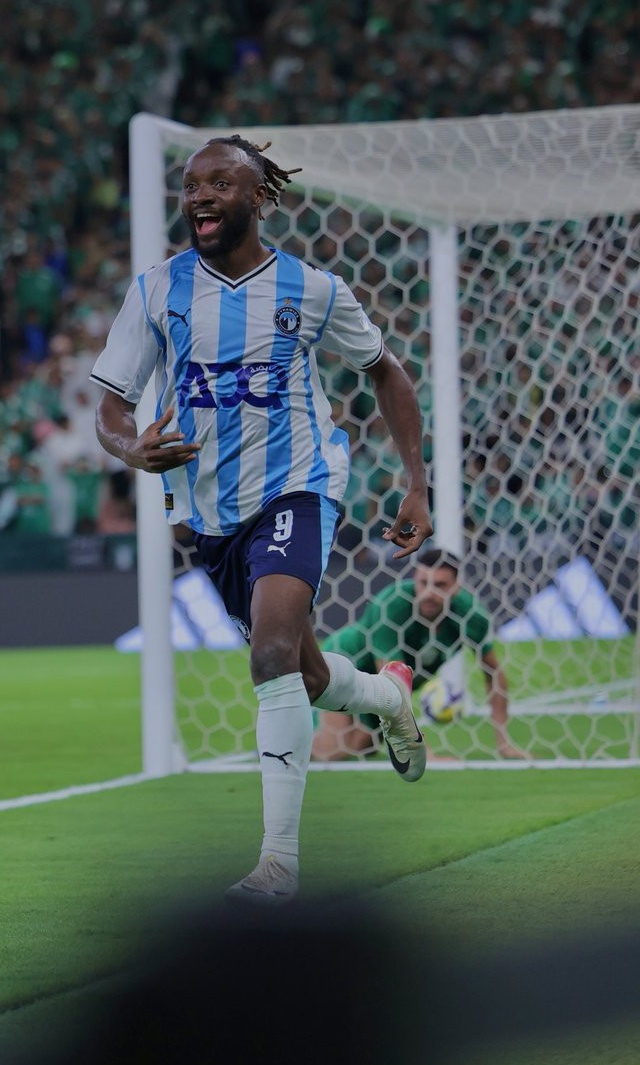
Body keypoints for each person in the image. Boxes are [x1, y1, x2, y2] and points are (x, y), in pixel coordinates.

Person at [91, 135, 432, 902]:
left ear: (258, 197)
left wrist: (417, 483)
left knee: (271, 653)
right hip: (210, 514)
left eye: (219, 183)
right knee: (304, 675)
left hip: (298, 486)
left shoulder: (311, 289)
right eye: (191, 186)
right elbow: (111, 406)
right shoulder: (157, 291)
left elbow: (385, 370)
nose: (200, 196)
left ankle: (279, 866)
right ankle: (389, 698)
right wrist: (132, 447)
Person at [313, 547, 526, 761]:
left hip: (376, 686)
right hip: (345, 663)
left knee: (362, 748)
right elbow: (392, 684)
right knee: (332, 752)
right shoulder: (392, 604)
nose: (429, 593)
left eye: (440, 585)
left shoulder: (471, 616)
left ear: (456, 586)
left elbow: (493, 674)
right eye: (423, 583)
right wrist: (427, 755)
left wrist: (504, 743)